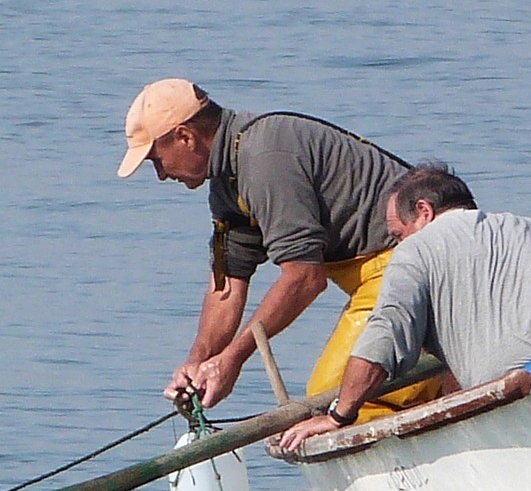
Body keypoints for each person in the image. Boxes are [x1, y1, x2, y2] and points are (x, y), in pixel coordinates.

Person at [273, 164, 531, 455]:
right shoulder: (526, 227)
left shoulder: (416, 252)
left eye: (397, 233)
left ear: (425, 212)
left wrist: (339, 417)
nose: (397, 244)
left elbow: (381, 346)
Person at [117, 78, 439, 417]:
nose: (161, 176)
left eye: (156, 160)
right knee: (335, 396)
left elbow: (304, 278)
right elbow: (227, 286)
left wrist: (233, 359)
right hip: (372, 273)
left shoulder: (263, 157)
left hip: (409, 263)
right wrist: (199, 363)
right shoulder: (228, 182)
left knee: (335, 396)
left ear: (185, 137)